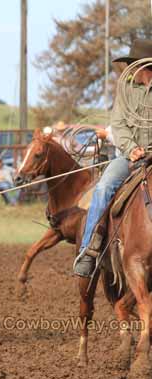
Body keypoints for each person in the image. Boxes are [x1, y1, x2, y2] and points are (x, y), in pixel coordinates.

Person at [74, 39, 152, 277]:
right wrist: (131, 149)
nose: (130, 70)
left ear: (143, 67)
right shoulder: (126, 91)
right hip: (131, 157)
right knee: (104, 187)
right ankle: (89, 248)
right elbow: (118, 125)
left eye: (132, 64)